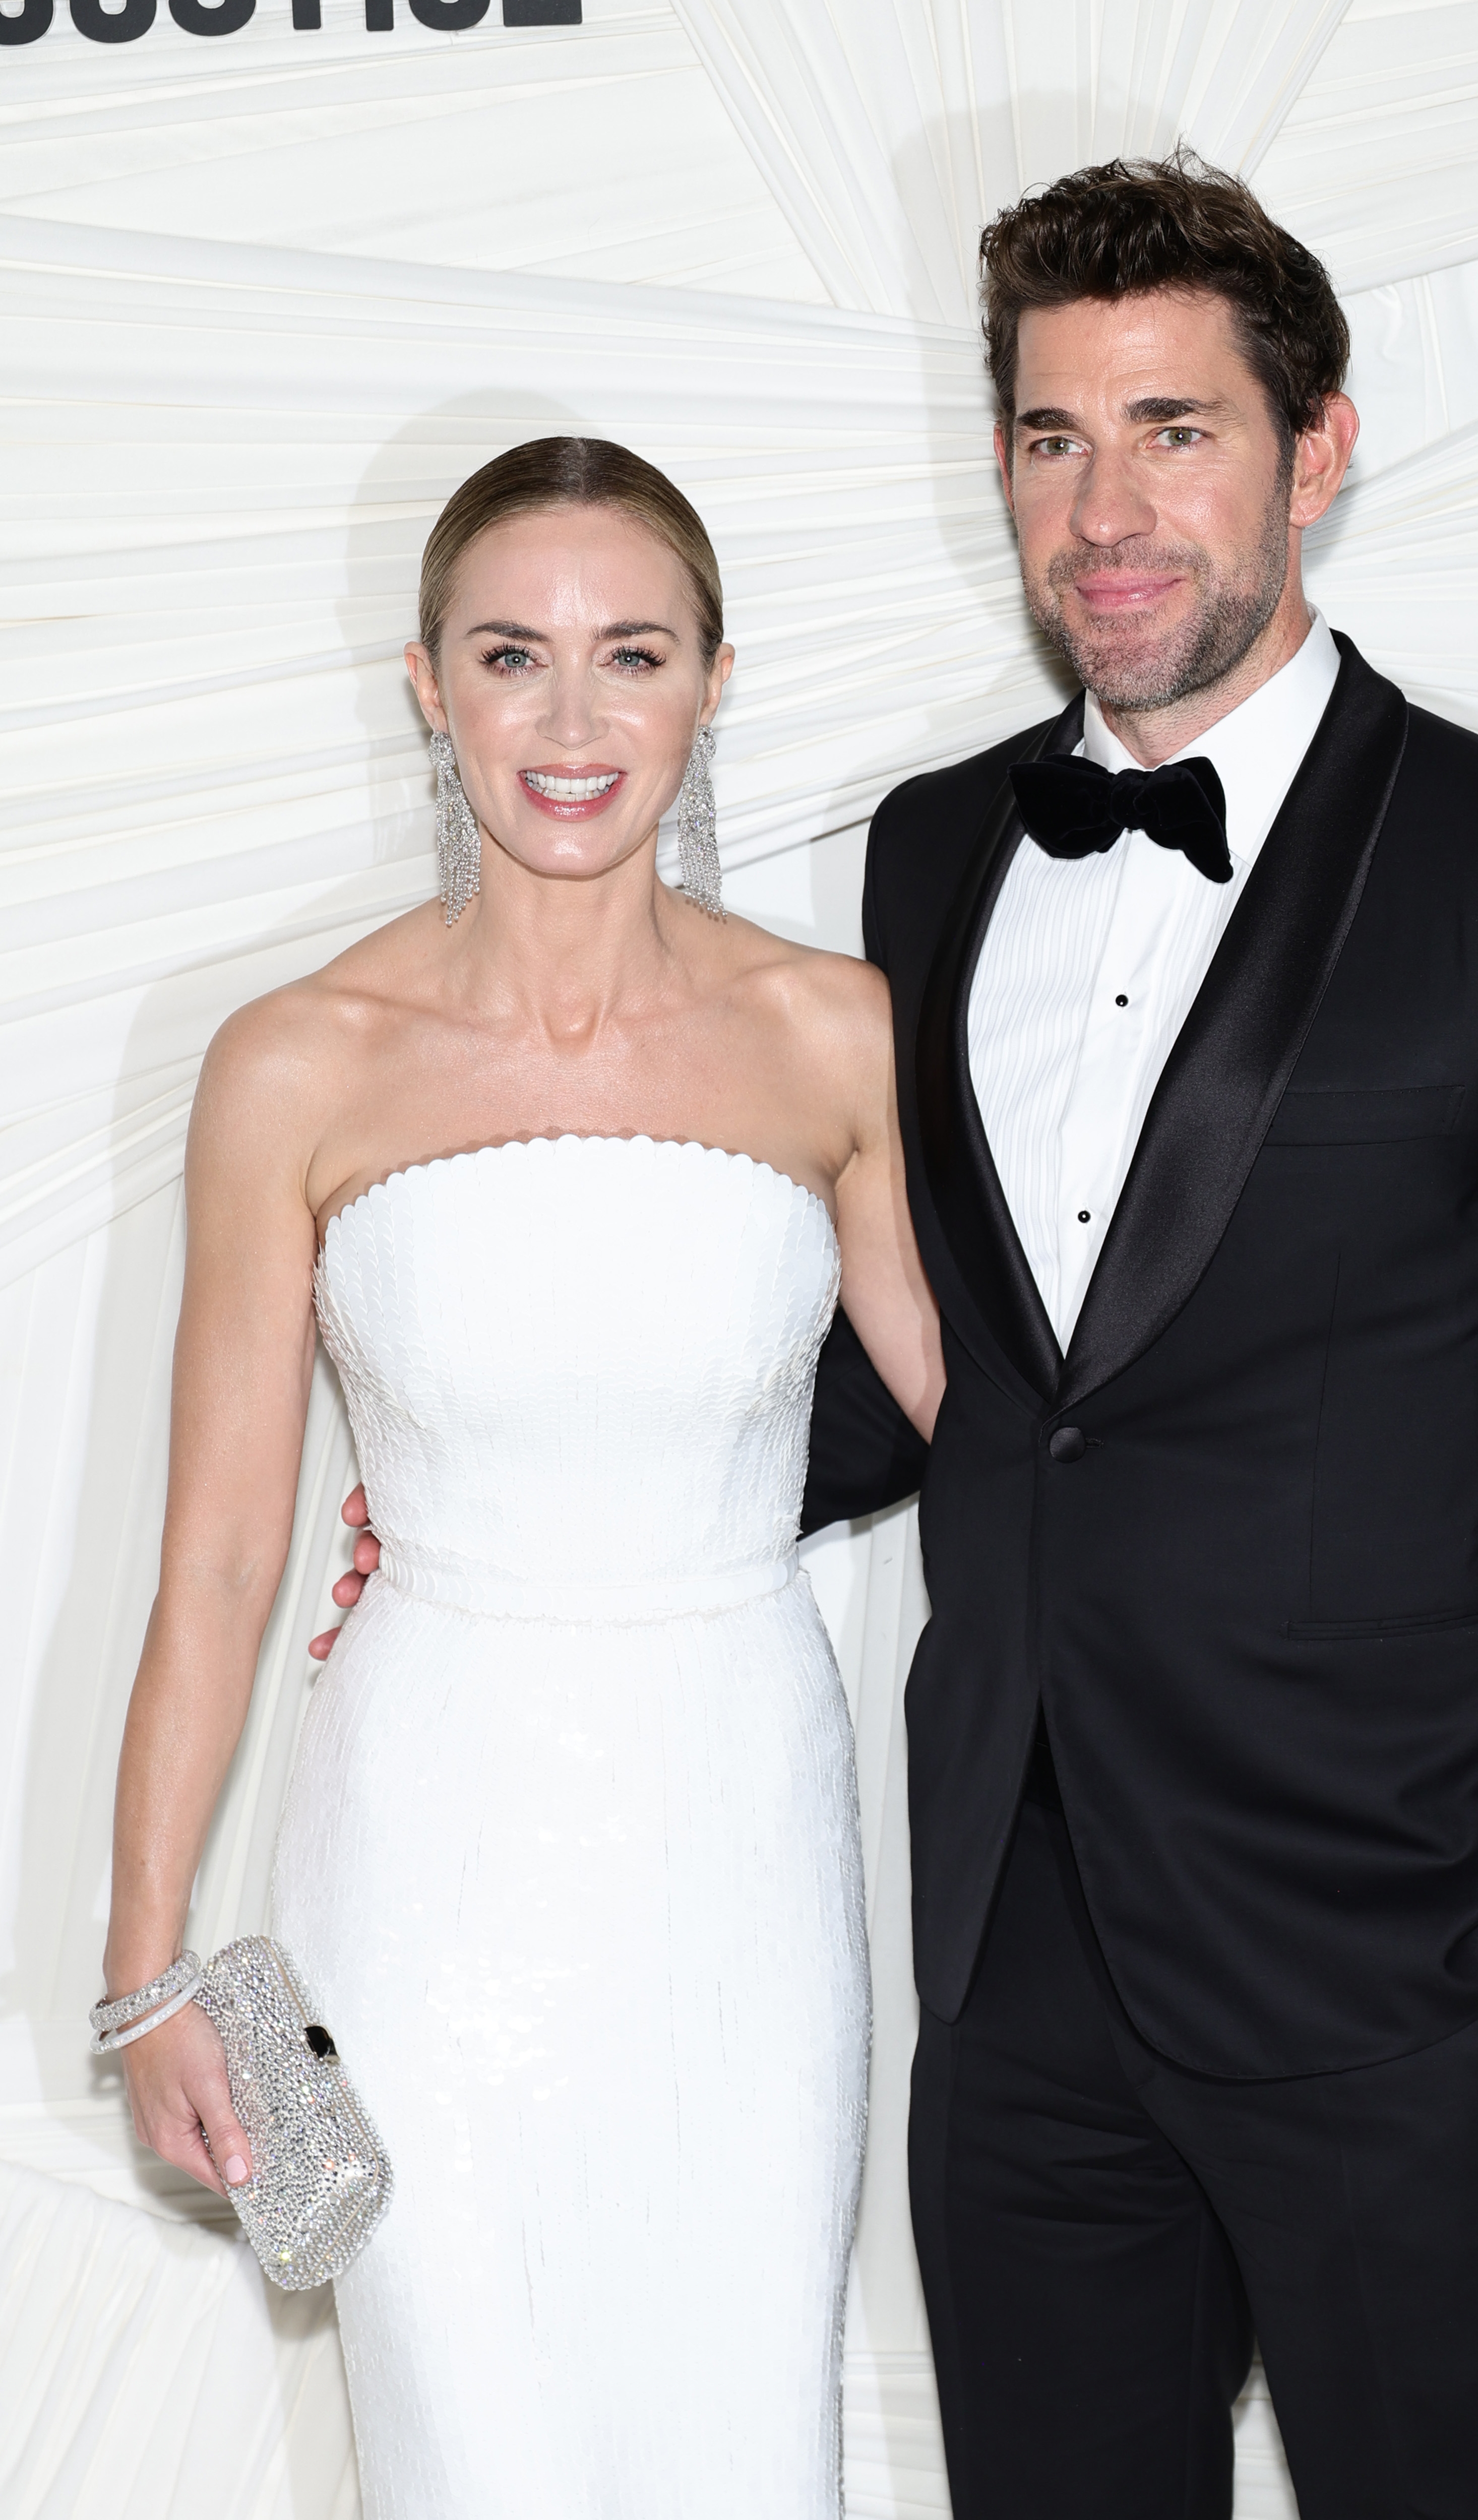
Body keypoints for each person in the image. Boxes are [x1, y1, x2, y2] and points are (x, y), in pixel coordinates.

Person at [325, 155, 1478, 2518]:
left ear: (1315, 449)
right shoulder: (931, 856)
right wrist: (551, 1486)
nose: (1105, 510)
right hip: (1014, 1978)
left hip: (1406, 1977)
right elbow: (966, 1373)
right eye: (1049, 437)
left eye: (1172, 430)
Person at [100, 436, 942, 2519]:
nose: (572, 721)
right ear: (426, 684)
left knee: (739, 2428)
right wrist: (147, 1972)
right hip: (420, 1858)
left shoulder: (837, 1034)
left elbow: (1007, 1441)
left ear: (714, 683)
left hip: (743, 1849)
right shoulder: (294, 1058)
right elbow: (221, 1555)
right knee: (466, 2435)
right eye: (510, 655)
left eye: (631, 654)